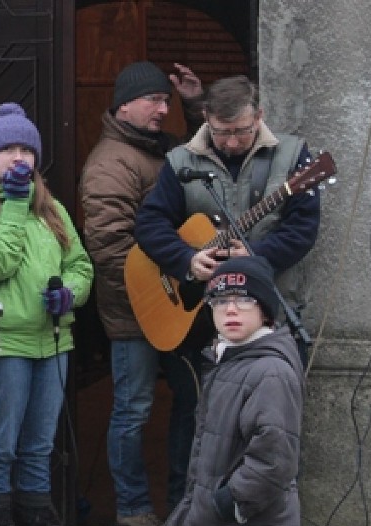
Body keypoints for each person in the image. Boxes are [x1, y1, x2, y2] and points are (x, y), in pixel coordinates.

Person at [0, 102, 94, 526]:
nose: (18, 157)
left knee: (39, 449)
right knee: (1, 448)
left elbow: (80, 265)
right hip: (4, 344)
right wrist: (15, 205)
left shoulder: (52, 208)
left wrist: (70, 295)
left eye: (26, 149)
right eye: (8, 149)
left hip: (53, 342)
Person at [78, 60, 203, 526]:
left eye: (167, 101)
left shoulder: (161, 149)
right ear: (123, 103)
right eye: (154, 99)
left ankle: (181, 502)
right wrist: (156, 298)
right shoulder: (111, 161)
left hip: (178, 309)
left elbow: (203, 156)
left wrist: (194, 103)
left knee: (191, 400)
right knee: (133, 409)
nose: (162, 108)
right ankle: (132, 508)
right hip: (135, 313)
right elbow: (109, 247)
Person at [135, 75, 321, 360]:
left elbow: (302, 229)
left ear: (259, 117)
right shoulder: (180, 160)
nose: (232, 142)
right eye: (221, 132)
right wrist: (186, 260)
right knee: (197, 401)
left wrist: (256, 254)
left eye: (241, 131)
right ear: (206, 117)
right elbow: (149, 223)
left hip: (272, 311)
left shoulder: (293, 155)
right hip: (203, 317)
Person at [163, 256, 304, 526]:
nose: (230, 309)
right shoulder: (226, 362)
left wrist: (232, 501)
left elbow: (274, 455)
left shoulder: (270, 370)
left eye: (244, 300)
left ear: (265, 309)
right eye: (220, 300)